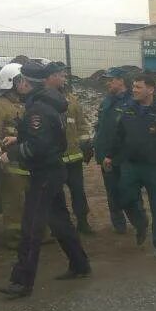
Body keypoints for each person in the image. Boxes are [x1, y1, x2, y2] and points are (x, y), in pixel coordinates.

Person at [0, 60, 91, 298]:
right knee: (59, 220)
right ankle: (80, 264)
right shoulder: (46, 104)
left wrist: (13, 154)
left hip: (45, 174)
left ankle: (21, 282)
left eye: (19, 81)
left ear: (26, 83)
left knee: (31, 227)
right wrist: (18, 140)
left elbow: (39, 146)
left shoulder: (38, 109)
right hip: (52, 170)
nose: (18, 85)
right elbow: (45, 137)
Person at [103, 74, 156, 258]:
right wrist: (110, 155)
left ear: (150, 90)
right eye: (133, 86)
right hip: (130, 165)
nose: (134, 90)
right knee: (124, 197)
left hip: (154, 167)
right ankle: (141, 222)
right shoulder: (128, 110)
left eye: (138, 87)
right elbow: (118, 136)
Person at [0, 63, 31, 249]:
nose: (25, 84)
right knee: (14, 203)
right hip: (9, 163)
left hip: (27, 160)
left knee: (31, 201)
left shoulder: (25, 103)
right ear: (11, 82)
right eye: (22, 80)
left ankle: (37, 234)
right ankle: (15, 238)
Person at [93, 67, 136, 233]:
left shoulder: (132, 101)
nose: (108, 82)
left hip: (124, 156)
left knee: (128, 189)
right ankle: (119, 225)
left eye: (111, 79)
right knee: (111, 191)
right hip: (106, 156)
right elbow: (101, 126)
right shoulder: (106, 101)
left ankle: (137, 220)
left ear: (121, 81)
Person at [59, 75, 94, 234]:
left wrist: (86, 145)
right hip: (54, 159)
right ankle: (60, 225)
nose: (63, 79)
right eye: (60, 75)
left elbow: (81, 125)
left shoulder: (72, 100)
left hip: (73, 157)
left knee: (78, 191)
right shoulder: (42, 100)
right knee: (55, 194)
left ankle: (82, 222)